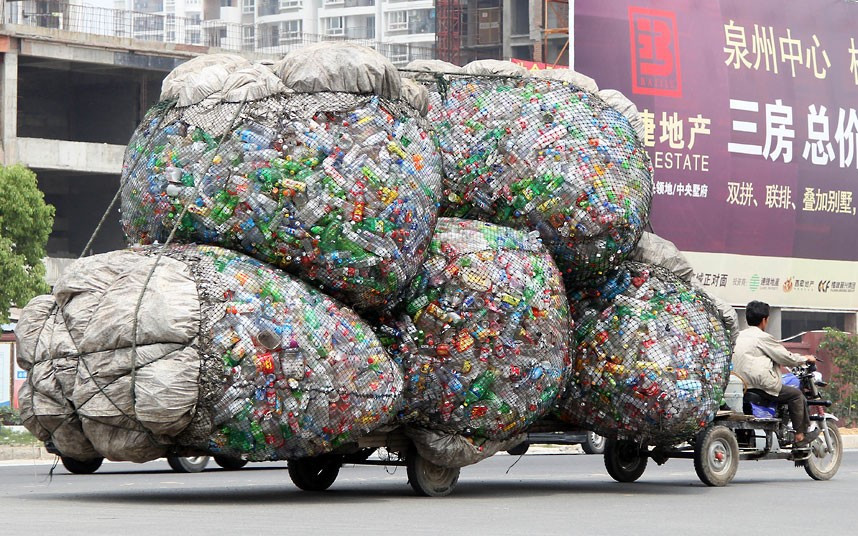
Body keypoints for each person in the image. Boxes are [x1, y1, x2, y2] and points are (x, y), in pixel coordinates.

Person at [732, 301, 819, 447]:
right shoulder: (763, 337)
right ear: (765, 320)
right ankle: (799, 437)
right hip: (758, 386)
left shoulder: (738, 336)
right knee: (796, 395)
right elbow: (785, 357)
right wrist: (805, 358)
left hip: (738, 386)